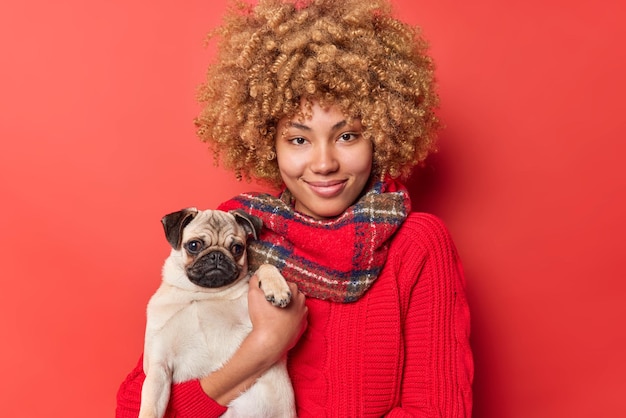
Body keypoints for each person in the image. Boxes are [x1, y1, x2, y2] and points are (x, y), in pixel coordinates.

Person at [116, 0, 473, 416]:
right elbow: (133, 406)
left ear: (382, 134)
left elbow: (438, 410)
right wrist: (264, 347)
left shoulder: (417, 246)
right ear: (269, 143)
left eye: (347, 136)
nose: (323, 163)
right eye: (299, 139)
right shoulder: (240, 234)